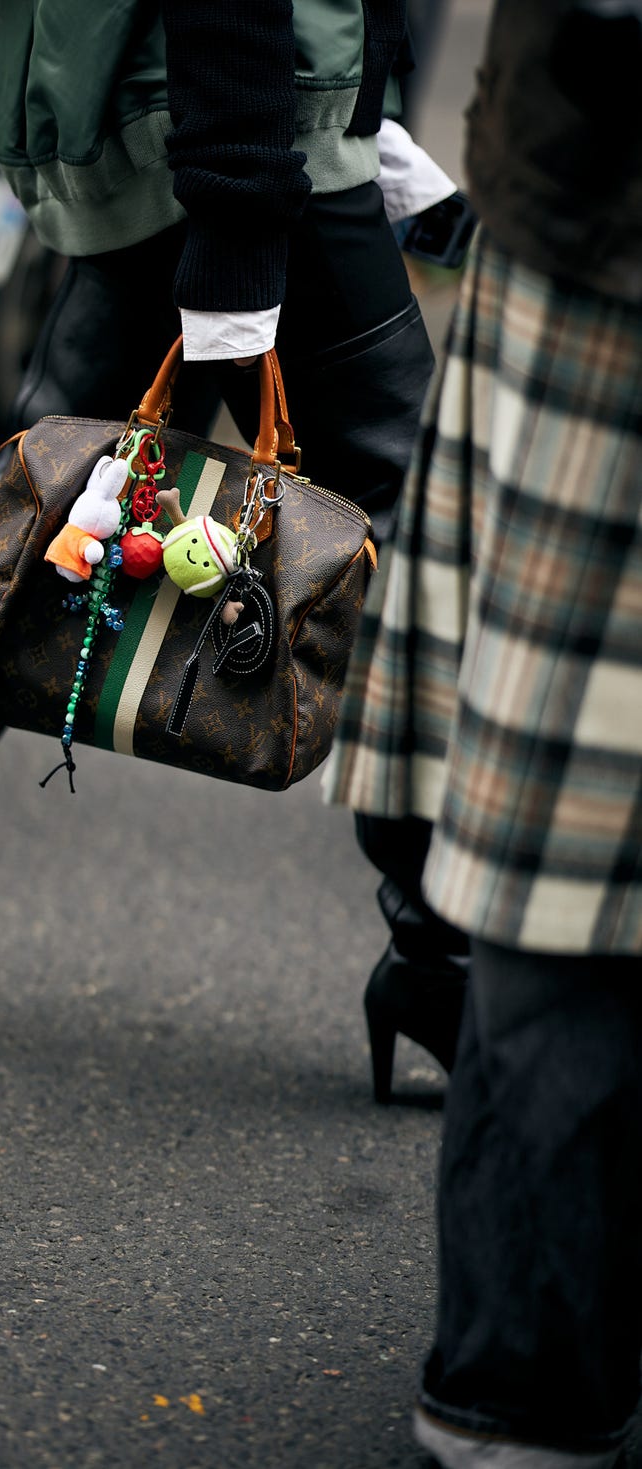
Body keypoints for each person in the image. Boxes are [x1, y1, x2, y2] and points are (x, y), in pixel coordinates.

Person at [0, 0, 453, 1040]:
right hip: (233, 123)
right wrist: (251, 189)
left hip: (197, 124)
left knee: (50, 519)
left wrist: (357, 119)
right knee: (422, 539)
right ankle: (445, 951)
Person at [324, 0, 642, 1461]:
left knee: (552, 819)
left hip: (570, 179)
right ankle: (515, 1385)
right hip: (604, 209)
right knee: (570, 848)